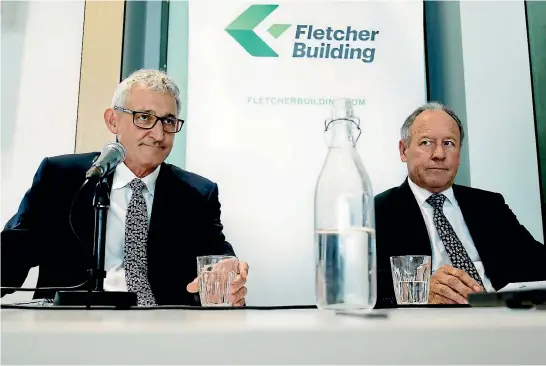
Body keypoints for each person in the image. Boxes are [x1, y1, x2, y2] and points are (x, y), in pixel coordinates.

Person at [1, 69, 249, 306]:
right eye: (144, 118)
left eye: (169, 121)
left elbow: (217, 260)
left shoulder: (196, 194)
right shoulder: (63, 178)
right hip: (73, 327)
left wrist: (228, 272)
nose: (158, 134)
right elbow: (12, 257)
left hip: (162, 330)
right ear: (113, 120)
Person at [374, 102, 546, 308]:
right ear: (403, 151)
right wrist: (416, 290)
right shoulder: (378, 211)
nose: (439, 154)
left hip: (500, 317)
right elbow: (356, 282)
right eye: (427, 142)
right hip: (428, 324)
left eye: (448, 143)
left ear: (459, 153)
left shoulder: (489, 205)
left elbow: (537, 263)